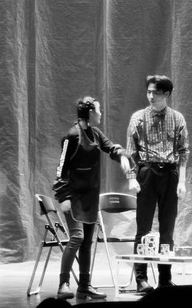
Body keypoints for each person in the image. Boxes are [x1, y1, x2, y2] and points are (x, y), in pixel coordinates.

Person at [53, 96, 132, 300]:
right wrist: (63, 196)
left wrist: (122, 156)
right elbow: (61, 169)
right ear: (89, 112)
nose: (101, 113)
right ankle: (63, 283)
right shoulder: (72, 136)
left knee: (87, 241)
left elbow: (110, 147)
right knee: (77, 237)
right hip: (73, 196)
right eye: (98, 110)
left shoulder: (95, 133)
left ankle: (84, 286)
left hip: (90, 197)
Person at [126, 74, 189, 292]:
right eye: (149, 92)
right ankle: (141, 278)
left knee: (167, 229)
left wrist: (182, 181)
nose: (151, 96)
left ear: (167, 94)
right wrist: (132, 178)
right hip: (147, 172)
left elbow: (183, 152)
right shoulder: (138, 118)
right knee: (143, 227)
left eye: (156, 92)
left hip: (170, 173)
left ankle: (165, 278)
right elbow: (130, 152)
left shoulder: (177, 118)